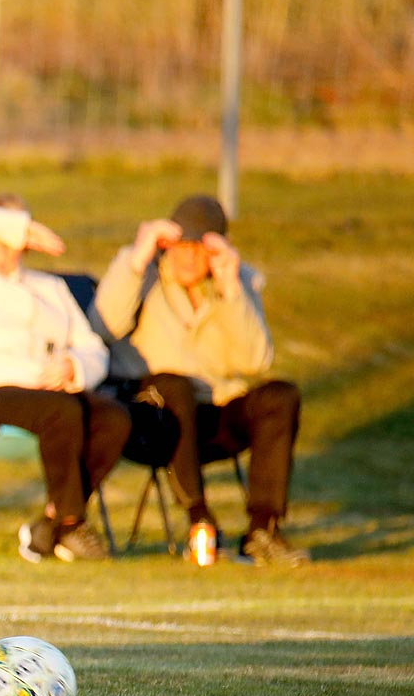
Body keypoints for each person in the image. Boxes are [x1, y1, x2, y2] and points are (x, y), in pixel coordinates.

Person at [95, 195, 309, 566]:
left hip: (212, 412)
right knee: (174, 387)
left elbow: (255, 360)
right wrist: (137, 256)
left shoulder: (236, 284)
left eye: (199, 248)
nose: (188, 257)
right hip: (154, 418)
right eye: (181, 246)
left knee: (280, 395)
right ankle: (200, 521)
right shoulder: (143, 276)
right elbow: (102, 326)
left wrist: (230, 289)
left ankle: (263, 530)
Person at [0, 196, 130, 562]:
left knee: (115, 417)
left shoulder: (49, 287)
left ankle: (53, 524)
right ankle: (72, 521)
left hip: (48, 394)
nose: (13, 247)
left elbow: (92, 348)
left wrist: (73, 366)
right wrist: (14, 226)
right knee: (62, 411)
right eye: (4, 236)